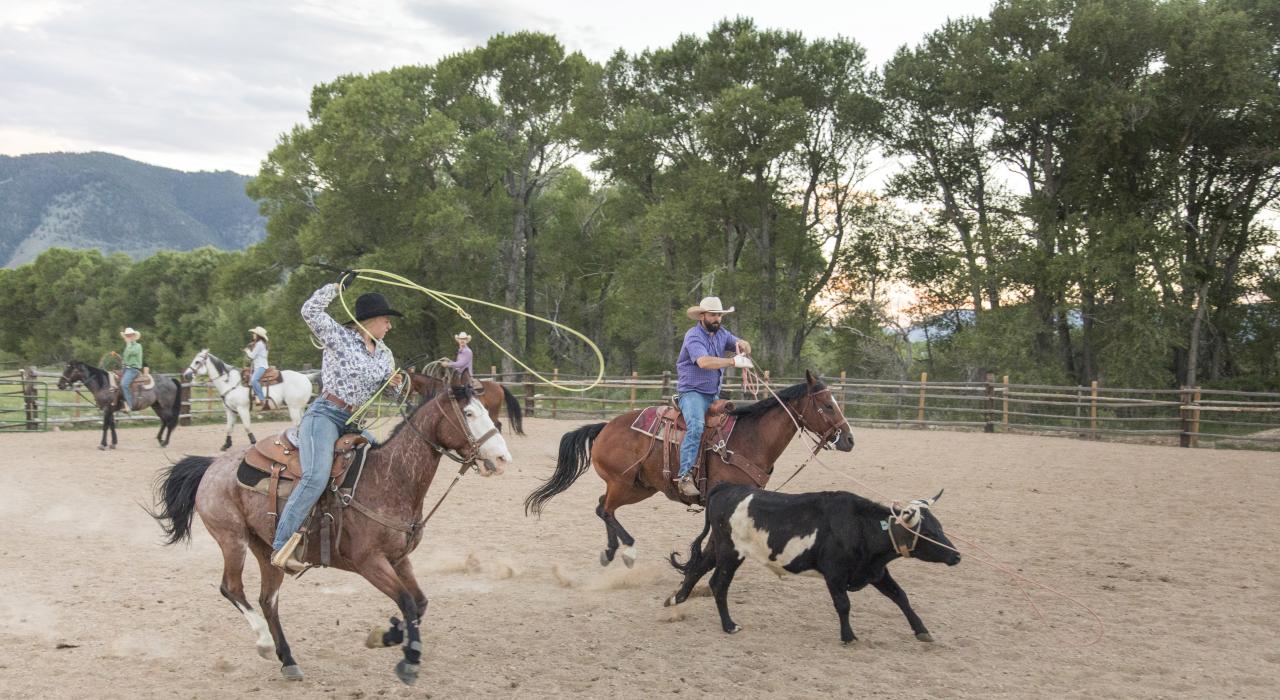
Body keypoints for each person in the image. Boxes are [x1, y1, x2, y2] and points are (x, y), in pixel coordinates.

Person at [271, 272, 405, 571]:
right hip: (325, 415)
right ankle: (281, 546)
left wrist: (396, 385)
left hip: (353, 422)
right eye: (386, 320)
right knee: (316, 476)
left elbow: (393, 395)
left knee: (384, 460)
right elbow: (310, 311)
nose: (389, 325)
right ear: (371, 320)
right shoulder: (340, 337)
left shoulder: (384, 355)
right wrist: (336, 287)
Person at [674, 296, 753, 497]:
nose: (717, 318)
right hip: (692, 392)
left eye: (719, 315)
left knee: (732, 426)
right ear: (702, 316)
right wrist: (733, 362)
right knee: (696, 427)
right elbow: (704, 362)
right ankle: (684, 476)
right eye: (713, 315)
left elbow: (738, 342)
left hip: (713, 394)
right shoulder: (693, 336)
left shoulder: (722, 334)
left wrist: (744, 344)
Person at [119, 327, 145, 412]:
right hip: (126, 368)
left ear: (134, 336)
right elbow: (126, 358)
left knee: (124, 384)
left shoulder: (138, 346)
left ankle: (130, 405)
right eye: (127, 336)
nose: (128, 337)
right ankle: (119, 403)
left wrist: (128, 344)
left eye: (130, 335)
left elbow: (131, 353)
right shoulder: (128, 346)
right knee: (114, 381)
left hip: (133, 369)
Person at [244, 326, 270, 409]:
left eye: (254, 333)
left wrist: (247, 351)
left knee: (254, 380)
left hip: (261, 366)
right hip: (258, 366)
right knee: (251, 381)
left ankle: (262, 399)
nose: (253, 335)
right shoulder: (261, 344)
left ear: (258, 335)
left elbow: (252, 356)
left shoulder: (259, 344)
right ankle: (257, 398)